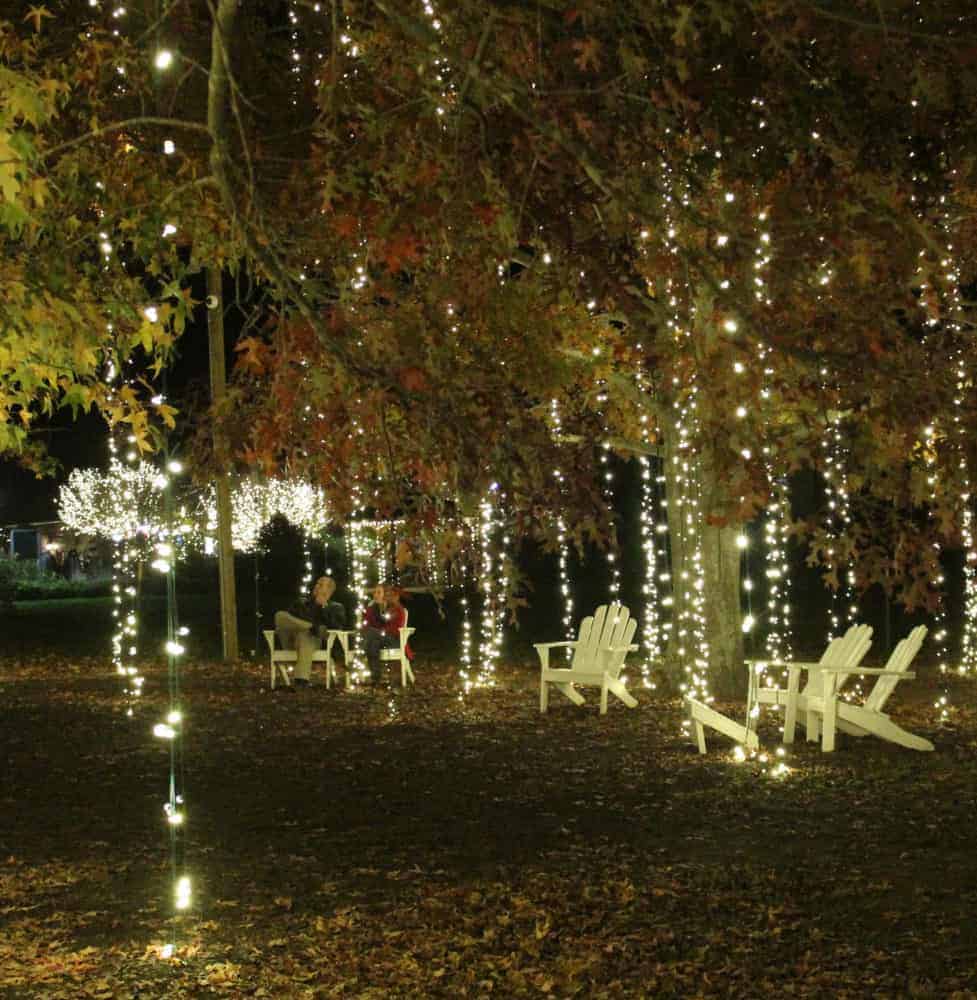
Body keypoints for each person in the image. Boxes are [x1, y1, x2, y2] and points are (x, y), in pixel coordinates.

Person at [273, 575, 347, 688]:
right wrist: (312, 626)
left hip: (312, 642)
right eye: (317, 583)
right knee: (280, 615)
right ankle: (311, 627)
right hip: (290, 640)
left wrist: (322, 608)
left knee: (306, 635)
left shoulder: (335, 607)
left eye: (321, 584)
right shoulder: (301, 602)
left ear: (330, 590)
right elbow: (289, 620)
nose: (317, 586)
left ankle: (301, 680)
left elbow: (336, 626)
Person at [361, 583, 414, 685]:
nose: (389, 598)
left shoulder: (397, 609)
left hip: (395, 640)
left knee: (371, 632)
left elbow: (393, 628)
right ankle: (375, 677)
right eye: (388, 595)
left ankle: (358, 657)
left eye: (390, 596)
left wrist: (380, 630)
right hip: (382, 638)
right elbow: (372, 624)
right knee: (373, 643)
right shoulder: (381, 608)